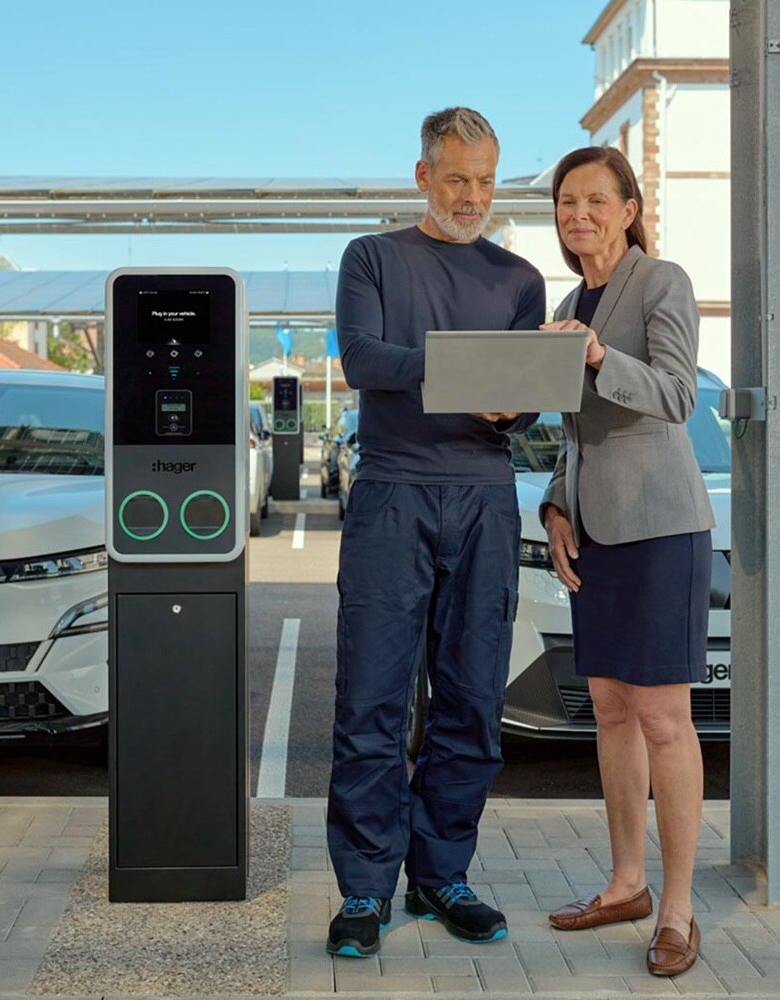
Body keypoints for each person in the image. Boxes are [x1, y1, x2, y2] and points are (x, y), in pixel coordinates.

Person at [323, 107, 546, 959]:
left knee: (473, 695)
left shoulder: (519, 279)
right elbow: (364, 361)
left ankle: (441, 875)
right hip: (393, 494)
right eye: (457, 178)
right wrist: (462, 369)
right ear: (423, 176)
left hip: (484, 493)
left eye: (487, 181)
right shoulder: (372, 258)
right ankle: (364, 890)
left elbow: (522, 395)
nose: (473, 196)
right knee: (373, 698)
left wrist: (509, 391)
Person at [539, 146, 714, 979]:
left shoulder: (662, 283)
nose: (579, 215)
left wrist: (602, 358)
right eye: (567, 202)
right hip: (596, 530)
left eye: (595, 200)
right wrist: (553, 504)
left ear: (629, 206)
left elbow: (679, 394)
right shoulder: (572, 300)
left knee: (662, 719)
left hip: (661, 528)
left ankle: (679, 910)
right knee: (609, 709)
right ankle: (625, 885)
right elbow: (570, 432)